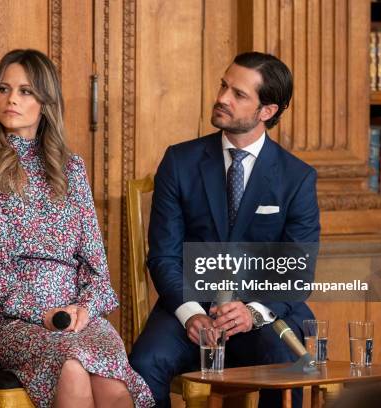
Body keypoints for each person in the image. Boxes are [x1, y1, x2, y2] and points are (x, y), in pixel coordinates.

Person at [0, 49, 154, 408]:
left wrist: (85, 309)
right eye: (3, 89)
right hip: (6, 323)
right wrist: (43, 313)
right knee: (72, 366)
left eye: (26, 91)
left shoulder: (71, 169)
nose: (11, 98)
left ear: (46, 103)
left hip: (77, 320)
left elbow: (96, 267)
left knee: (112, 384)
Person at [129, 52, 320, 408]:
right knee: (144, 363)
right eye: (223, 85)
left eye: (239, 94)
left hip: (261, 316)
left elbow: (297, 270)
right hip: (188, 306)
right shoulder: (179, 161)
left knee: (286, 363)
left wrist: (252, 312)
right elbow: (164, 255)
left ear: (267, 111)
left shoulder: (297, 178)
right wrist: (190, 313)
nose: (222, 98)